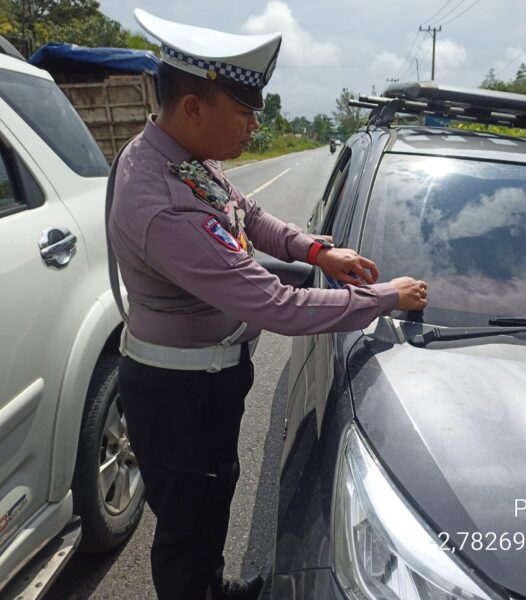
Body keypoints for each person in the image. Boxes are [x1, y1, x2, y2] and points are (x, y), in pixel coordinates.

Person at [106, 9, 428, 600]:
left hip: (206, 381)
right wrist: (385, 297)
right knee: (186, 524)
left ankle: (211, 588)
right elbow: (278, 306)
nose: (254, 125)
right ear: (194, 107)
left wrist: (316, 250)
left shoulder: (185, 157)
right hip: (180, 396)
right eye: (244, 110)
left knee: (212, 497)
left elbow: (246, 214)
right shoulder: (159, 200)